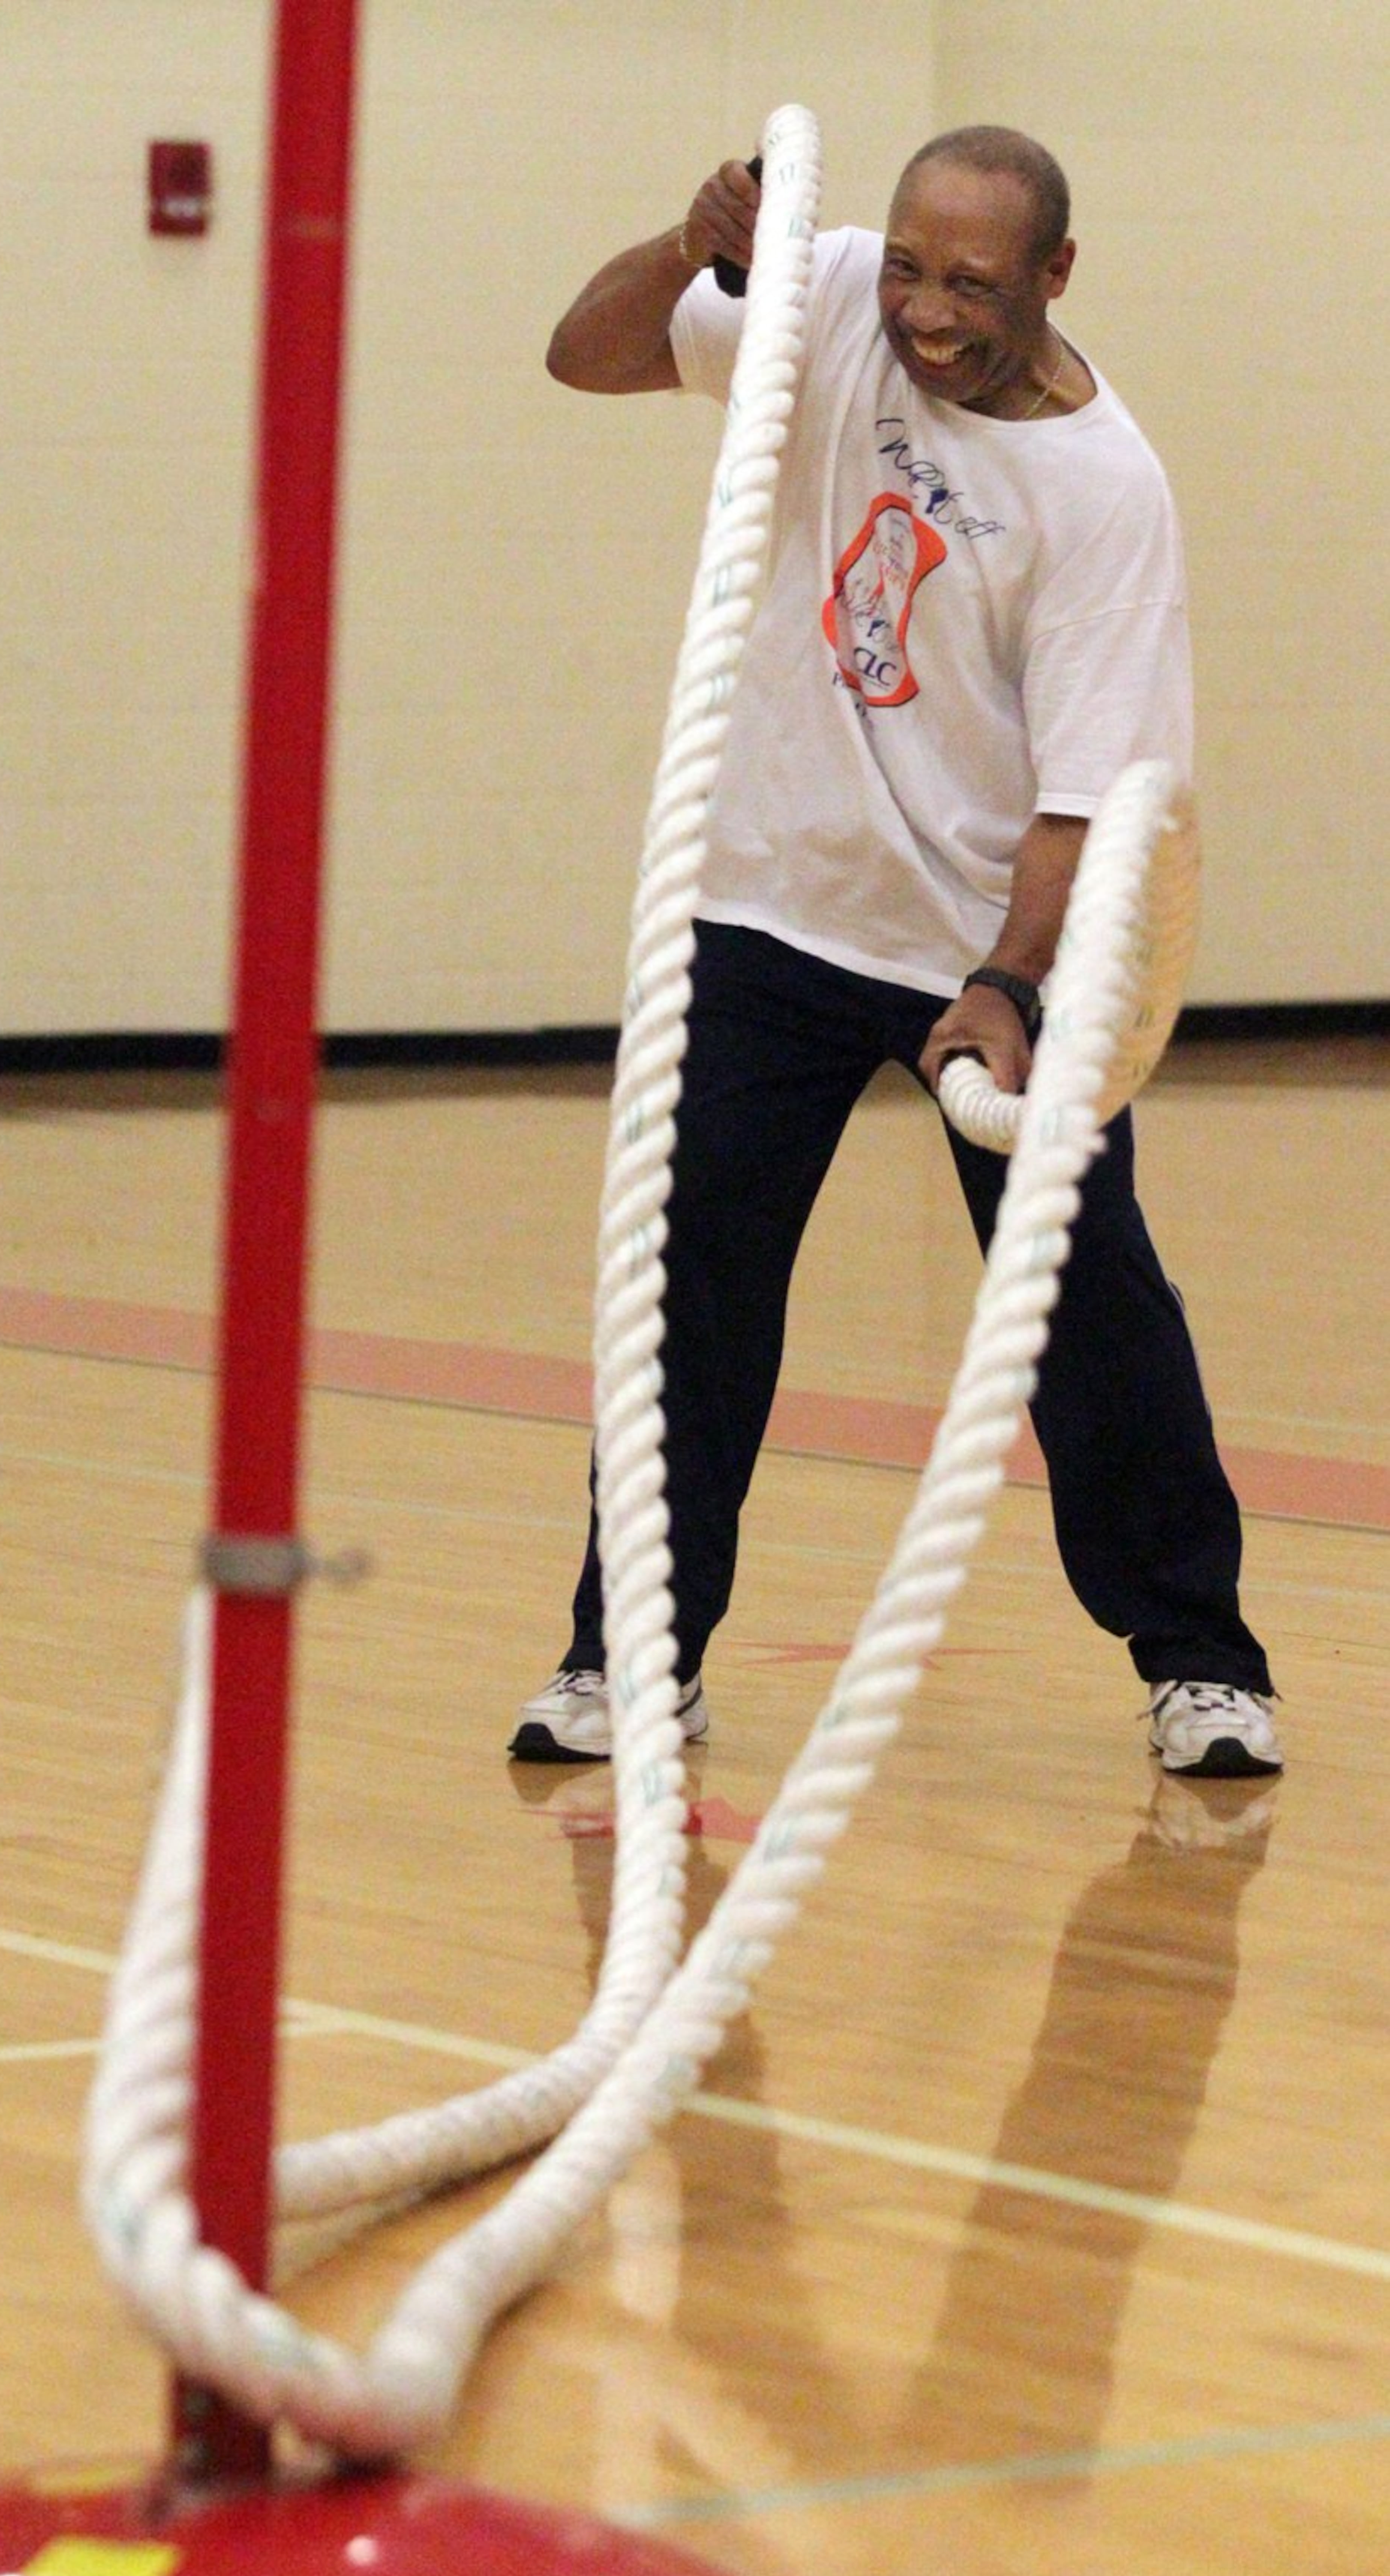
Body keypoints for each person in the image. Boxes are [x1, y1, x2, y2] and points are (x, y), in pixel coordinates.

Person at [511, 125, 1281, 1780]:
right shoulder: (840, 290)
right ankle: (628, 1657)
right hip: (774, 908)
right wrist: (686, 244)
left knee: (1083, 1301)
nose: (923, 312)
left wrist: (1003, 987)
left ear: (1056, 278)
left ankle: (1202, 1660)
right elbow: (589, 358)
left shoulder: (1103, 493)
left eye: (971, 285)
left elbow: (1085, 803)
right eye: (913, 268)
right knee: (687, 1290)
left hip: (995, 935)